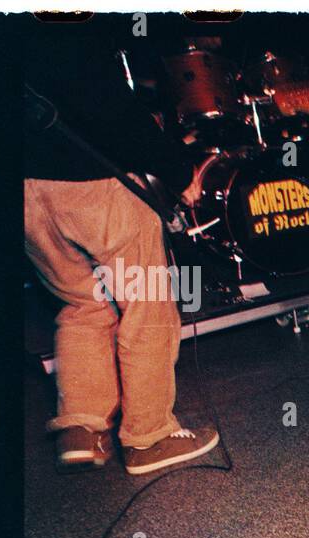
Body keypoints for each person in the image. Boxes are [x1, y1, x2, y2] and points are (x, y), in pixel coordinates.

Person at [24, 35, 219, 475]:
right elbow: (106, 104)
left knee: (81, 303)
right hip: (89, 180)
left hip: (20, 191)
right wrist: (177, 168)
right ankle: (150, 436)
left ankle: (80, 427)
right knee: (147, 303)